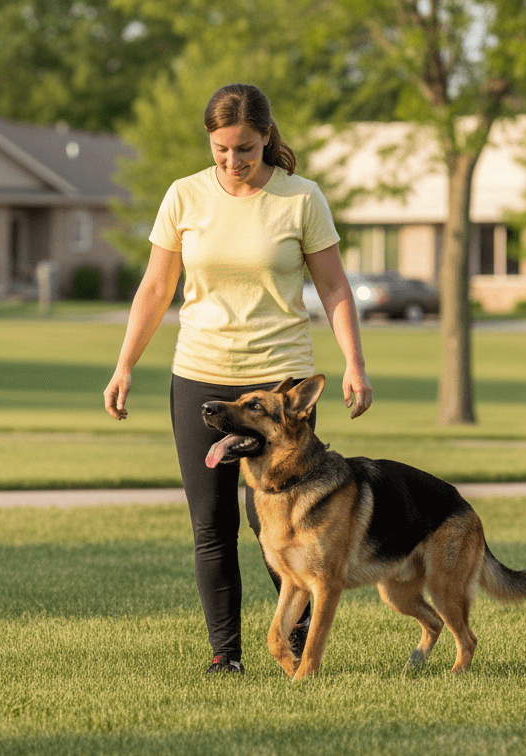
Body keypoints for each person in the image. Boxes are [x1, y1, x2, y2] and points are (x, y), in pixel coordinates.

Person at [103, 83, 372, 674]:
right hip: (201, 374)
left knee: (286, 524)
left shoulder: (301, 198)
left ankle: (295, 649)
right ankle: (226, 656)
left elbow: (333, 287)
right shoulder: (184, 196)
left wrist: (353, 361)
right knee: (212, 523)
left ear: (268, 137)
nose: (233, 161)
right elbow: (155, 288)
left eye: (245, 148)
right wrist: (125, 365)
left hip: (281, 388)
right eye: (222, 149)